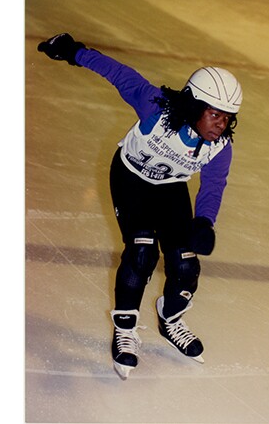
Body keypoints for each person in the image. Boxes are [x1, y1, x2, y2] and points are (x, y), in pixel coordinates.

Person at [37, 33, 243, 380]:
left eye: (228, 117)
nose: (221, 124)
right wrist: (74, 51)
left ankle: (171, 318)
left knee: (186, 264)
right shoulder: (155, 108)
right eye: (215, 114)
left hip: (170, 187)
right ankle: (126, 329)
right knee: (141, 253)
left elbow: (213, 183)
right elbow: (120, 74)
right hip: (131, 180)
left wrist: (205, 221)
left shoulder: (220, 146)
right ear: (193, 106)